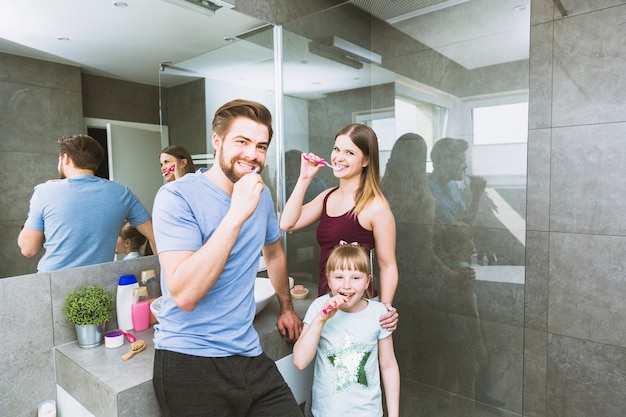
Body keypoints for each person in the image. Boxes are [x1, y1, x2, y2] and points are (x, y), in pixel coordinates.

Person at [151, 99, 303, 417]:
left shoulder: (258, 197)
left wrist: (287, 307)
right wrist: (236, 214)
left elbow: (274, 254)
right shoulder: (176, 196)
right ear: (217, 141)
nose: (252, 154)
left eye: (261, 146)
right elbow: (185, 294)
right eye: (242, 142)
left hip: (248, 355)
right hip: (189, 360)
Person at [280, 124, 399, 331]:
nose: (338, 157)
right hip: (325, 302)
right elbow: (287, 223)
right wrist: (305, 178)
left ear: (366, 160)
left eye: (349, 152)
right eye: (336, 149)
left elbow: (387, 265)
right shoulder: (327, 196)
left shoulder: (375, 206)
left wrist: (385, 308)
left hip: (360, 305)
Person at [17, 134, 155, 272]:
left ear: (66, 158)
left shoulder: (45, 191)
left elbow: (28, 249)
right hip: (100, 284)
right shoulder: (122, 193)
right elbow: (155, 234)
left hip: (54, 283)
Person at [293, 243, 400, 417]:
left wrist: (394, 415)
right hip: (326, 413)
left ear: (367, 281)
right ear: (328, 279)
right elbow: (300, 361)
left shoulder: (378, 313)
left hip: (369, 412)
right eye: (339, 277)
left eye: (356, 278)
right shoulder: (318, 307)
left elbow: (388, 366)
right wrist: (321, 318)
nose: (347, 285)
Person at [428, 137, 486, 225]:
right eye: (461, 161)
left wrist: (476, 196)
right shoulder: (427, 190)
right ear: (444, 162)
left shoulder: (453, 185)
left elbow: (465, 223)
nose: (465, 166)